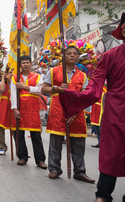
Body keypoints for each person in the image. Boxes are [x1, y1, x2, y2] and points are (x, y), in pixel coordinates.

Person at [59, 12, 125, 202]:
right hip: (116, 113)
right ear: (124, 31)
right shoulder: (109, 57)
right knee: (111, 153)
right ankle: (103, 196)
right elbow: (94, 88)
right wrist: (72, 95)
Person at [41, 46, 95, 184]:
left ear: (78, 57)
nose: (72, 55)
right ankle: (54, 169)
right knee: (56, 143)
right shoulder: (53, 71)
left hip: (76, 113)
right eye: (69, 53)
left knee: (78, 144)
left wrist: (75, 111)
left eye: (75, 54)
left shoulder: (82, 75)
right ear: (63, 56)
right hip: (58, 110)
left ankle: (80, 172)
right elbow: (43, 89)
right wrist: (56, 88)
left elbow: (85, 95)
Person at [10, 56, 47, 169]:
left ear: (31, 64)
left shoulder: (38, 76)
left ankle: (40, 160)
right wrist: (15, 109)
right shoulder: (15, 77)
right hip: (20, 107)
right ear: (20, 65)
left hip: (32, 108)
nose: (25, 64)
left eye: (27, 62)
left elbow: (40, 91)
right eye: (23, 63)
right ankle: (22, 157)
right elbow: (13, 94)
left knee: (36, 135)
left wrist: (24, 87)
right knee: (19, 134)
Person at [0, 69, 13, 155]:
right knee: (0, 129)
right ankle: (2, 148)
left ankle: (20, 149)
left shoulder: (14, 82)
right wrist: (3, 78)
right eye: (6, 73)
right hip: (2, 107)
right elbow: (2, 89)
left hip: (13, 107)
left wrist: (10, 79)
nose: (8, 74)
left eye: (10, 72)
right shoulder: (2, 83)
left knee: (15, 129)